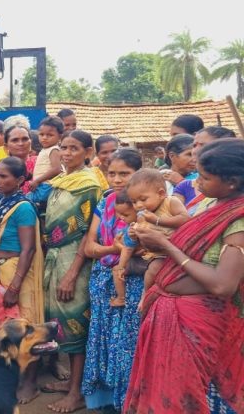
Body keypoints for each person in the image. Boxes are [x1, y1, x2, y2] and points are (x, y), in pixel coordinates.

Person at [125, 138, 244, 414]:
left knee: (188, 400)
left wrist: (165, 245)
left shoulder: (237, 220)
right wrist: (150, 240)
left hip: (197, 321)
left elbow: (223, 284)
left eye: (204, 177)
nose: (196, 182)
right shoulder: (212, 205)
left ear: (232, 182)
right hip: (171, 312)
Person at [42, 129, 103, 413]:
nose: (67, 153)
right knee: (61, 322)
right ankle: (72, 383)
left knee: (76, 323)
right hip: (55, 259)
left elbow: (88, 232)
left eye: (74, 148)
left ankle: (77, 392)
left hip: (75, 261)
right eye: (63, 148)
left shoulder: (89, 184)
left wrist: (72, 273)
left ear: (88, 152)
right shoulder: (63, 180)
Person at [0, 156, 45, 403]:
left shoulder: (23, 207)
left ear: (19, 180)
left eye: (4, 176)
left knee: (26, 329)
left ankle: (30, 383)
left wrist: (15, 285)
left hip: (18, 270)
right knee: (3, 330)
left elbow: (28, 249)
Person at [81, 148, 144, 412]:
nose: (117, 180)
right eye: (112, 173)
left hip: (132, 283)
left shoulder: (147, 207)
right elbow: (89, 248)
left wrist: (117, 254)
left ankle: (129, 400)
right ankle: (104, 399)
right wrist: (115, 250)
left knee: (127, 342)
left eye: (125, 174)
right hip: (103, 279)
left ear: (138, 174)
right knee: (102, 337)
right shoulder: (106, 203)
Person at [122, 169, 190, 307]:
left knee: (156, 270)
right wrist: (135, 235)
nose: (139, 205)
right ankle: (145, 294)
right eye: (134, 202)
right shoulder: (142, 215)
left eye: (143, 199)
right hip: (157, 254)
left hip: (178, 249)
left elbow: (185, 219)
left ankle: (147, 295)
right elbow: (143, 239)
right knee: (151, 270)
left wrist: (158, 220)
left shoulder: (171, 202)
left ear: (161, 193)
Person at [173, 126, 236, 214]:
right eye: (194, 145)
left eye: (203, 145)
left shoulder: (230, 196)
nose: (195, 151)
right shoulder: (185, 186)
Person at [28, 116, 63, 203]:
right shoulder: (45, 150)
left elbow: (57, 169)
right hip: (42, 185)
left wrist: (37, 180)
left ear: (60, 137)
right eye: (41, 134)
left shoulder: (54, 150)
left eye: (50, 135)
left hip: (46, 186)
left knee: (26, 199)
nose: (44, 138)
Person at [3, 125, 37, 195]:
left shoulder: (41, 162)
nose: (21, 143)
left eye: (25, 139)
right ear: (6, 147)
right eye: (15, 140)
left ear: (31, 142)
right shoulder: (3, 167)